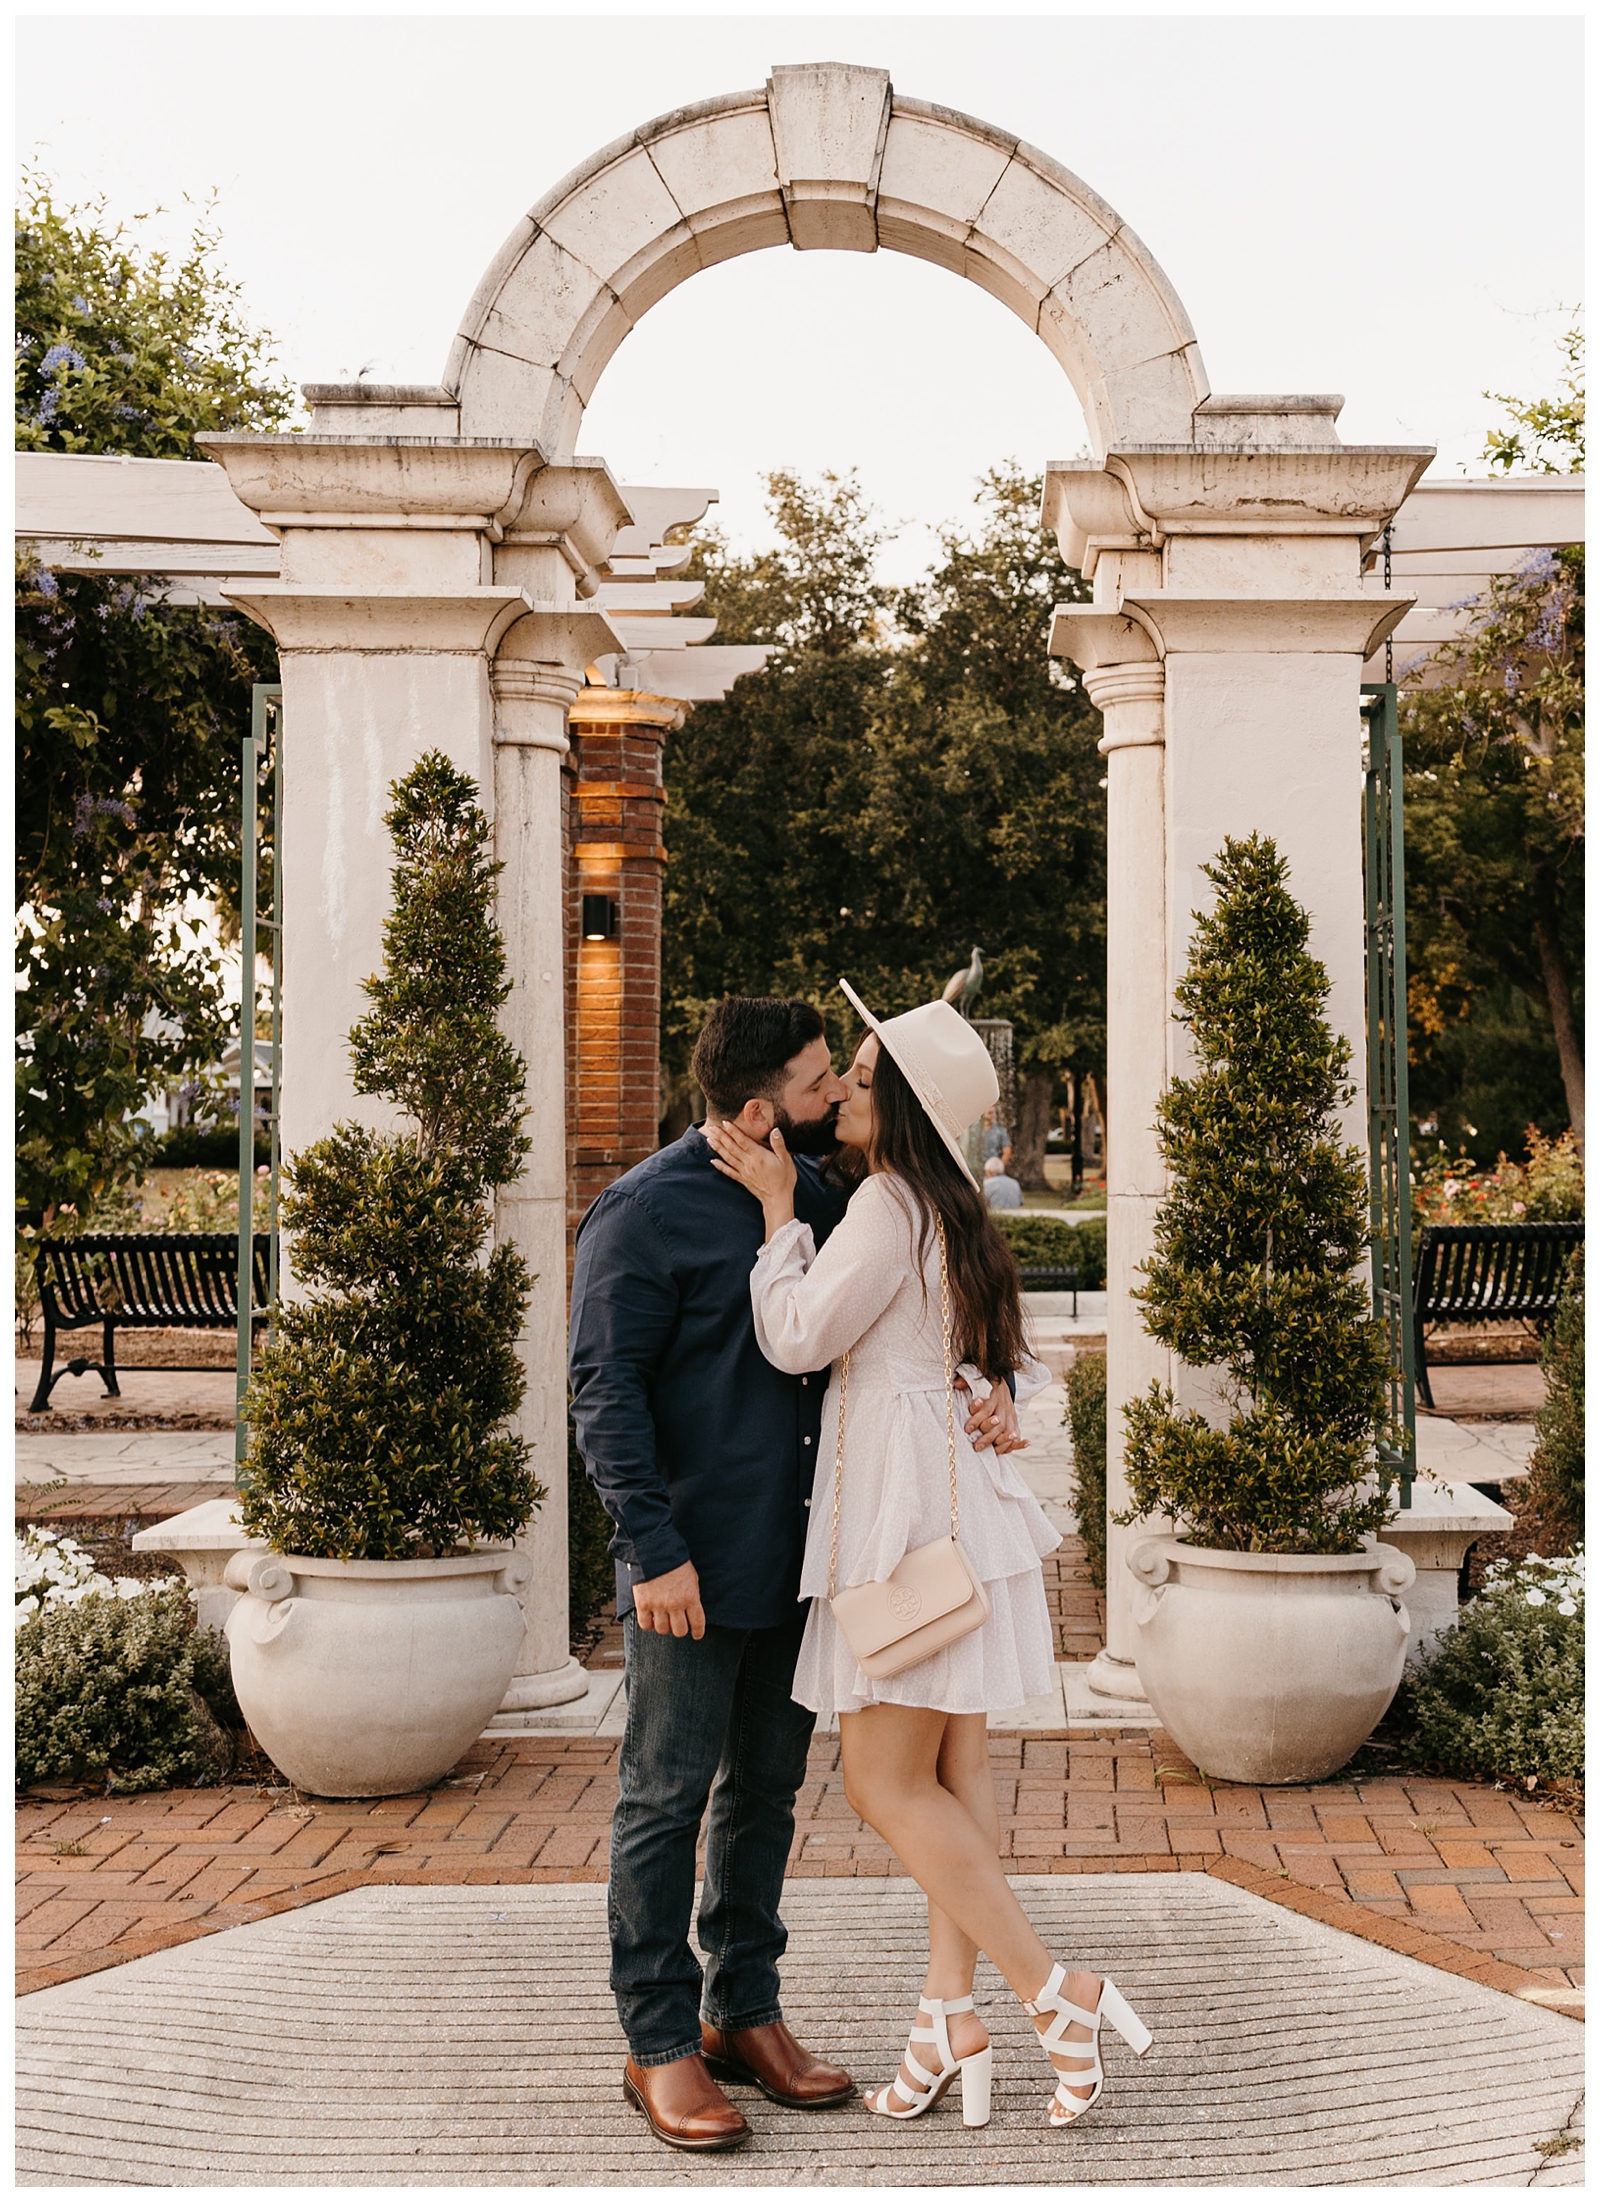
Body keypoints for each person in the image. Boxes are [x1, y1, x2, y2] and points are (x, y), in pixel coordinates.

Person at [570, 995, 1022, 2154]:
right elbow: (603, 1396)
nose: (836, 1099)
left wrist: (987, 1385)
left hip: (809, 1559)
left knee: (764, 1796)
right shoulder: (640, 1215)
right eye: (824, 1084)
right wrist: (650, 1549)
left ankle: (743, 2013)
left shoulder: (823, 1191)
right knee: (665, 1796)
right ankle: (658, 2040)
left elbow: (912, 1307)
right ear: (767, 1108)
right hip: (692, 1564)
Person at [704, 985, 1153, 2134]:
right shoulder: (945, 1206)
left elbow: (797, 1335)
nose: (843, 1087)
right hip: (959, 1515)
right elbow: (989, 1357)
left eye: (859, 1074)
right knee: (952, 1783)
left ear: (897, 1101)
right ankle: (945, 2015)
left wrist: (772, 1220)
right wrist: (995, 1394)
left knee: (878, 1783)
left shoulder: (885, 1203)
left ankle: (1056, 1991)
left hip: (898, 1519)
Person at [981, 1105, 1012, 1171]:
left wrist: (997, 1168)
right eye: (990, 1112)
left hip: (991, 1171)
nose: (993, 1115)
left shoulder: (1000, 1131)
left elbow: (1007, 1152)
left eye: (995, 1113)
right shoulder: (974, 1131)